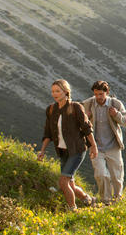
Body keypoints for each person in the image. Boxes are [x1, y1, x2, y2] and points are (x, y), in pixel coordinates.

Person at [37, 79, 98, 211]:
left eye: (58, 91)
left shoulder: (75, 107)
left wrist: (94, 146)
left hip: (77, 150)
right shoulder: (51, 110)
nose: (55, 94)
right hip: (63, 151)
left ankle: (72, 210)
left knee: (63, 181)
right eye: (53, 91)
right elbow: (48, 133)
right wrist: (42, 151)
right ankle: (89, 200)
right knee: (70, 182)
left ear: (66, 91)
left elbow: (87, 128)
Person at [81, 80, 126, 205]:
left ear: (107, 92)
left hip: (113, 146)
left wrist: (116, 115)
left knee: (117, 177)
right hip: (96, 147)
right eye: (96, 94)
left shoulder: (115, 104)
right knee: (100, 174)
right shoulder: (87, 104)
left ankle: (117, 200)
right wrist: (85, 118)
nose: (98, 97)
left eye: (101, 94)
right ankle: (106, 201)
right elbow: (76, 122)